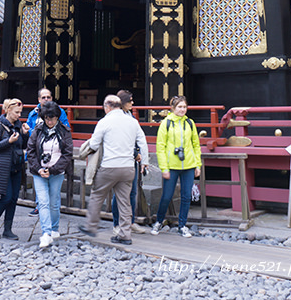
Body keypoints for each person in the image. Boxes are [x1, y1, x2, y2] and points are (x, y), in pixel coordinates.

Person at [78, 94, 148, 246]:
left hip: (110, 166)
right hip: (128, 167)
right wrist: (145, 162)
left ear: (107, 106)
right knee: (125, 201)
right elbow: (142, 141)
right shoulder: (132, 121)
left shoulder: (104, 122)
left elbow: (95, 144)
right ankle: (125, 235)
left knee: (97, 195)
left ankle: (91, 226)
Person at [151, 95, 201, 238]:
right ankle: (159, 221)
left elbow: (196, 145)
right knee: (167, 196)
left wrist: (198, 164)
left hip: (189, 165)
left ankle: (182, 225)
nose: (182, 109)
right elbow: (160, 147)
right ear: (172, 108)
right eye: (179, 107)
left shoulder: (190, 123)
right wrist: (164, 168)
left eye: (184, 107)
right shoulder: (166, 123)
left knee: (186, 197)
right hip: (172, 166)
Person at [27, 100, 73, 248]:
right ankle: (46, 233)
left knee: (54, 202)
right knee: (43, 202)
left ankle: (54, 228)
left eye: (52, 118)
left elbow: (67, 154)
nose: (50, 121)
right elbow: (31, 150)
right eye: (47, 118)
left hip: (56, 172)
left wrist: (52, 169)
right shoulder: (38, 130)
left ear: (57, 117)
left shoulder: (65, 132)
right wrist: (38, 168)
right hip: (38, 171)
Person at [0, 98, 29, 239]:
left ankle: (8, 229)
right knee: (6, 198)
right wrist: (8, 141)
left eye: (20, 112)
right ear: (8, 110)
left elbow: (22, 145)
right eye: (16, 112)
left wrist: (25, 134)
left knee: (14, 198)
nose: (19, 115)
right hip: (3, 166)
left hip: (16, 165)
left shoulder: (18, 125)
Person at [26, 87, 70, 216]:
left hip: (55, 150)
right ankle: (40, 207)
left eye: (48, 97)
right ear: (39, 99)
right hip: (39, 150)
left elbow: (66, 127)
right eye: (43, 97)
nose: (46, 99)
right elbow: (30, 128)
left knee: (53, 191)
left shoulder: (59, 112)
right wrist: (28, 130)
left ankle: (52, 213)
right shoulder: (33, 113)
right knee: (41, 186)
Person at [111, 89, 146, 236]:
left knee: (132, 192)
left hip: (131, 159)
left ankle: (129, 222)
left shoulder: (130, 116)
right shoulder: (115, 117)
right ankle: (117, 223)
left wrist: (138, 154)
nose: (132, 103)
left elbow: (135, 138)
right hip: (120, 158)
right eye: (130, 100)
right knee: (118, 193)